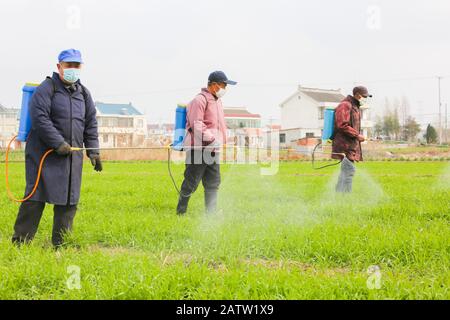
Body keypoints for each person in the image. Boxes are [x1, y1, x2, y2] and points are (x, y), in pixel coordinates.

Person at [12, 49, 102, 247]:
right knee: (35, 198)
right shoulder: (47, 89)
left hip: (71, 158)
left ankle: (61, 244)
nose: (72, 69)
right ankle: (20, 244)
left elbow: (90, 124)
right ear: (59, 66)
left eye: (76, 65)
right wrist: (58, 143)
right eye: (68, 65)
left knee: (69, 201)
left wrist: (93, 151)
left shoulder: (84, 94)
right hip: (44, 155)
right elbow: (40, 119)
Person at [176, 71, 237, 215]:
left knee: (213, 183)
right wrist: (212, 139)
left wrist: (224, 140)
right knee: (191, 182)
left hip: (213, 149)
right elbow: (197, 125)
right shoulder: (199, 100)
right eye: (224, 85)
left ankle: (211, 213)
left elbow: (219, 124)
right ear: (214, 85)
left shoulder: (217, 101)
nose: (225, 89)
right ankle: (180, 212)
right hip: (198, 149)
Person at [332, 86, 372, 193]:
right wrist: (357, 135)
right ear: (358, 94)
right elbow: (342, 125)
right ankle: (345, 198)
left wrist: (356, 136)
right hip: (344, 145)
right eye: (364, 96)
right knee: (349, 171)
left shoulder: (354, 106)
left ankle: (339, 196)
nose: (365, 98)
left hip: (350, 145)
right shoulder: (345, 105)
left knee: (345, 172)